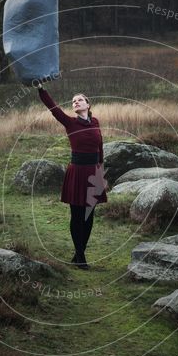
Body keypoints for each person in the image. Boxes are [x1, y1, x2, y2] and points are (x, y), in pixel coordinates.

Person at [37, 82, 107, 269]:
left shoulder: (95, 122)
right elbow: (53, 108)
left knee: (89, 216)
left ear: (88, 104)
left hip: (93, 173)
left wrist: (101, 169)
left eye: (80, 100)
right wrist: (41, 89)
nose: (76, 102)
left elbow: (100, 147)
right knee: (77, 216)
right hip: (77, 172)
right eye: (73, 101)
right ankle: (81, 257)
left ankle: (78, 253)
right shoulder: (70, 122)